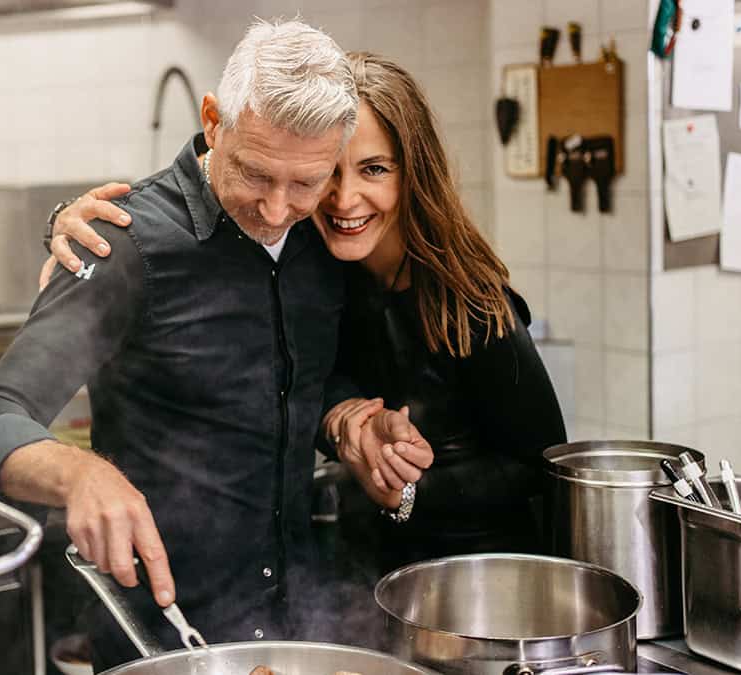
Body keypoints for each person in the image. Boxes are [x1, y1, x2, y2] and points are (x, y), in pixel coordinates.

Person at [0, 21, 429, 667]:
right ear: (212, 119)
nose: (278, 209)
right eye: (256, 173)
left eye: (306, 183)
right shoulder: (124, 245)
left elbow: (294, 381)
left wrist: (345, 420)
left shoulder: (323, 240)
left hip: (298, 628)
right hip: (162, 638)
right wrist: (79, 473)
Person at [43, 52, 568, 582]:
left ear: (415, 173)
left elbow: (543, 465)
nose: (343, 198)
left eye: (374, 169)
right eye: (327, 174)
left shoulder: (472, 305)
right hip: (356, 587)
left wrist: (404, 488)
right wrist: (69, 222)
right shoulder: (312, 269)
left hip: (479, 585)